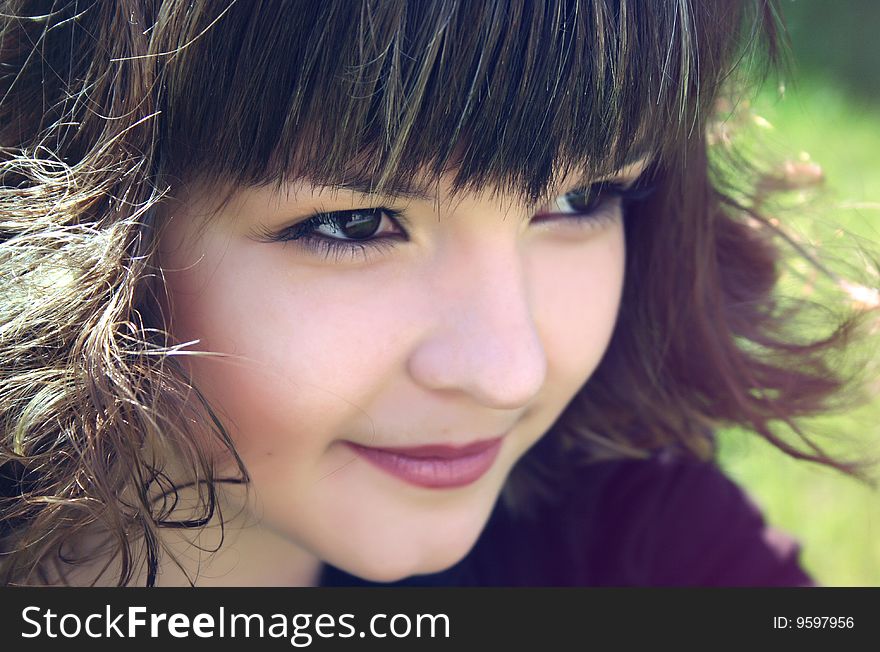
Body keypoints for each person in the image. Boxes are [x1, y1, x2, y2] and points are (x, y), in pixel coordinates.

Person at [0, 0, 874, 587]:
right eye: (355, 224)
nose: (509, 371)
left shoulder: (642, 551)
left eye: (579, 200)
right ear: (66, 204)